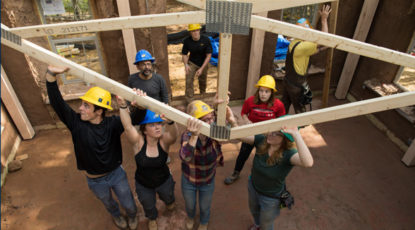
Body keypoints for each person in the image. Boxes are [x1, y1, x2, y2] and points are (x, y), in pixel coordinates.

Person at [45, 66, 138, 230]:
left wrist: (140, 102)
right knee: (108, 203)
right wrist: (51, 75)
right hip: (95, 180)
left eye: (86, 106)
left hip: (117, 174)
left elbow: (135, 117)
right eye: (82, 104)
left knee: (128, 202)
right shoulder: (76, 124)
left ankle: (132, 215)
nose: (80, 108)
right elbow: (57, 102)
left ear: (99, 111)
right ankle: (117, 216)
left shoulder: (114, 124)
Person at [117, 91, 178, 230]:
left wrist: (171, 121)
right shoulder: (138, 142)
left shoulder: (163, 142)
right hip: (143, 184)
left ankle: (169, 202)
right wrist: (122, 106)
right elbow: (127, 127)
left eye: (159, 124)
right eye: (152, 125)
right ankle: (152, 218)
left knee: (169, 198)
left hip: (164, 181)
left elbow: (174, 136)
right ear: (144, 130)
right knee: (148, 205)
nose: (158, 127)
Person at [237, 118, 313, 230]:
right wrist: (230, 119)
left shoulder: (289, 154)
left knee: (266, 223)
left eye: (276, 133)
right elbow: (237, 135)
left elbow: (308, 163)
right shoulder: (262, 140)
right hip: (253, 186)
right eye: (271, 130)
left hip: (270, 197)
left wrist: (296, 135)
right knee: (254, 210)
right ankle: (257, 225)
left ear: (285, 139)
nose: (270, 134)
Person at [180, 100, 237, 230]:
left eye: (212, 118)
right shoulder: (187, 135)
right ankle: (190, 217)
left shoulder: (214, 132)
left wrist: (231, 120)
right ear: (195, 122)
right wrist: (194, 136)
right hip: (190, 180)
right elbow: (185, 157)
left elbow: (235, 136)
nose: (211, 123)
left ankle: (204, 221)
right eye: (206, 120)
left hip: (208, 180)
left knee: (205, 206)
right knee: (190, 205)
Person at [224, 75, 286, 185]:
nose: (263, 94)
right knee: (243, 154)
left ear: (272, 92)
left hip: (267, 136)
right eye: (261, 91)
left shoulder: (279, 105)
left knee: (263, 157)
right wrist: (247, 121)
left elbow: (282, 120)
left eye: (267, 91)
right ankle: (236, 173)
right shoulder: (250, 101)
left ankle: (262, 177)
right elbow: (243, 113)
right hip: (251, 133)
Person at [281, 5, 332, 114]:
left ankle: (280, 125)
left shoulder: (294, 43)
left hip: (287, 82)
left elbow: (307, 53)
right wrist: (323, 19)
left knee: (284, 106)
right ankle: (299, 129)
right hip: (296, 86)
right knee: (300, 111)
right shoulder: (303, 46)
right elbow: (325, 39)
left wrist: (321, 49)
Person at [182, 24, 213, 103]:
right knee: (189, 80)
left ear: (199, 31)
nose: (195, 33)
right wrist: (186, 65)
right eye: (193, 31)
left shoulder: (206, 40)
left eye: (197, 30)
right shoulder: (187, 41)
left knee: (202, 80)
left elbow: (209, 55)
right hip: (192, 62)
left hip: (203, 63)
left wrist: (202, 68)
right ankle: (190, 100)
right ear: (190, 32)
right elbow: (184, 54)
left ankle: (203, 95)